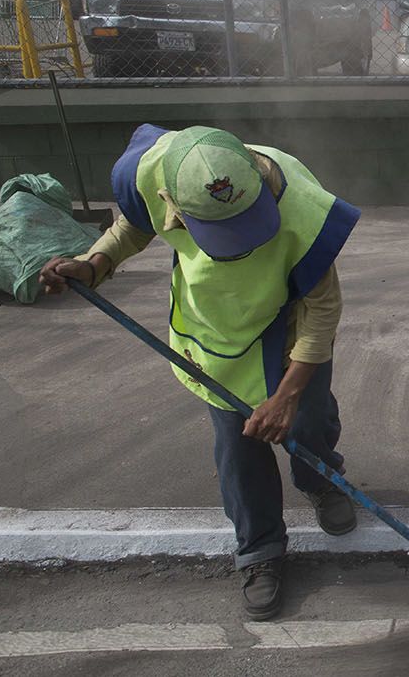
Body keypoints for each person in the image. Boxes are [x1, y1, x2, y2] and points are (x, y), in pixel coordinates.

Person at [38, 125, 361, 619]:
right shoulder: (148, 175)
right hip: (217, 335)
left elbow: (322, 310)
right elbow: (135, 225)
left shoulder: (302, 207)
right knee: (239, 446)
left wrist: (288, 394)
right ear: (174, 205)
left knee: (310, 418)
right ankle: (260, 551)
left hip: (291, 323)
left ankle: (320, 481)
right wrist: (93, 263)